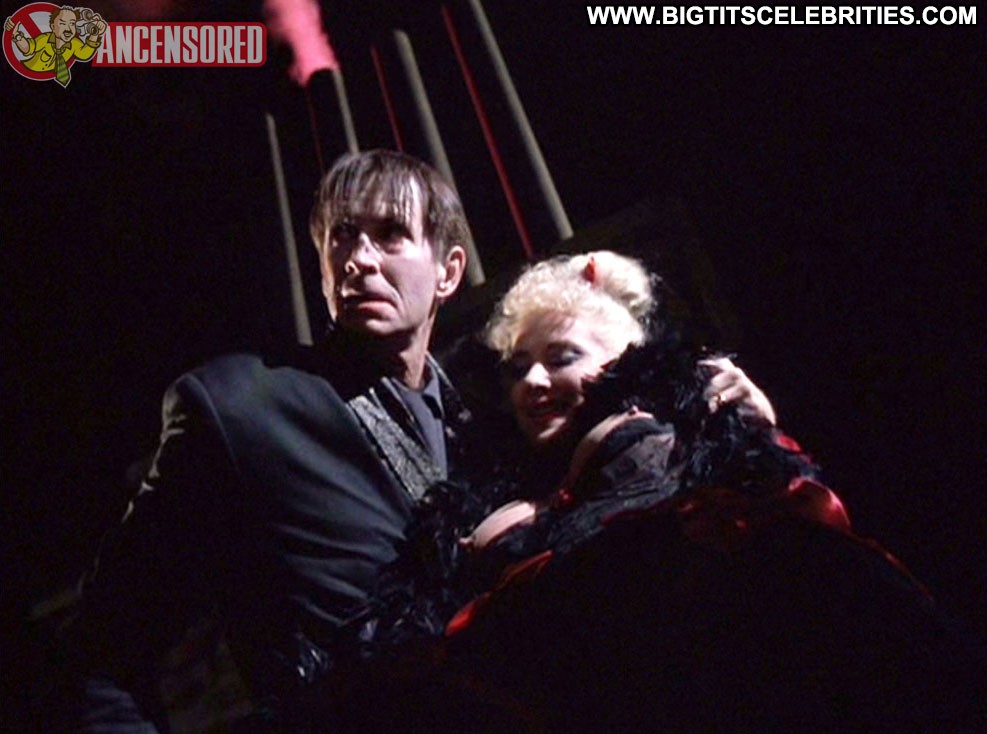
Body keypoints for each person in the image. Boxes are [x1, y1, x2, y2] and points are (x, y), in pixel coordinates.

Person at [63, 154, 775, 732]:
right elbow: (103, 644)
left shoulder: (492, 418)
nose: (358, 259)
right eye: (341, 237)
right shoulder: (238, 404)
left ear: (448, 272)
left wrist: (731, 412)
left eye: (389, 235)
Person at [324, 251, 984, 732]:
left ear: (629, 361)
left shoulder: (684, 435)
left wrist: (747, 431)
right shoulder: (491, 487)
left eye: (562, 357)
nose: (531, 383)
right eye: (518, 368)